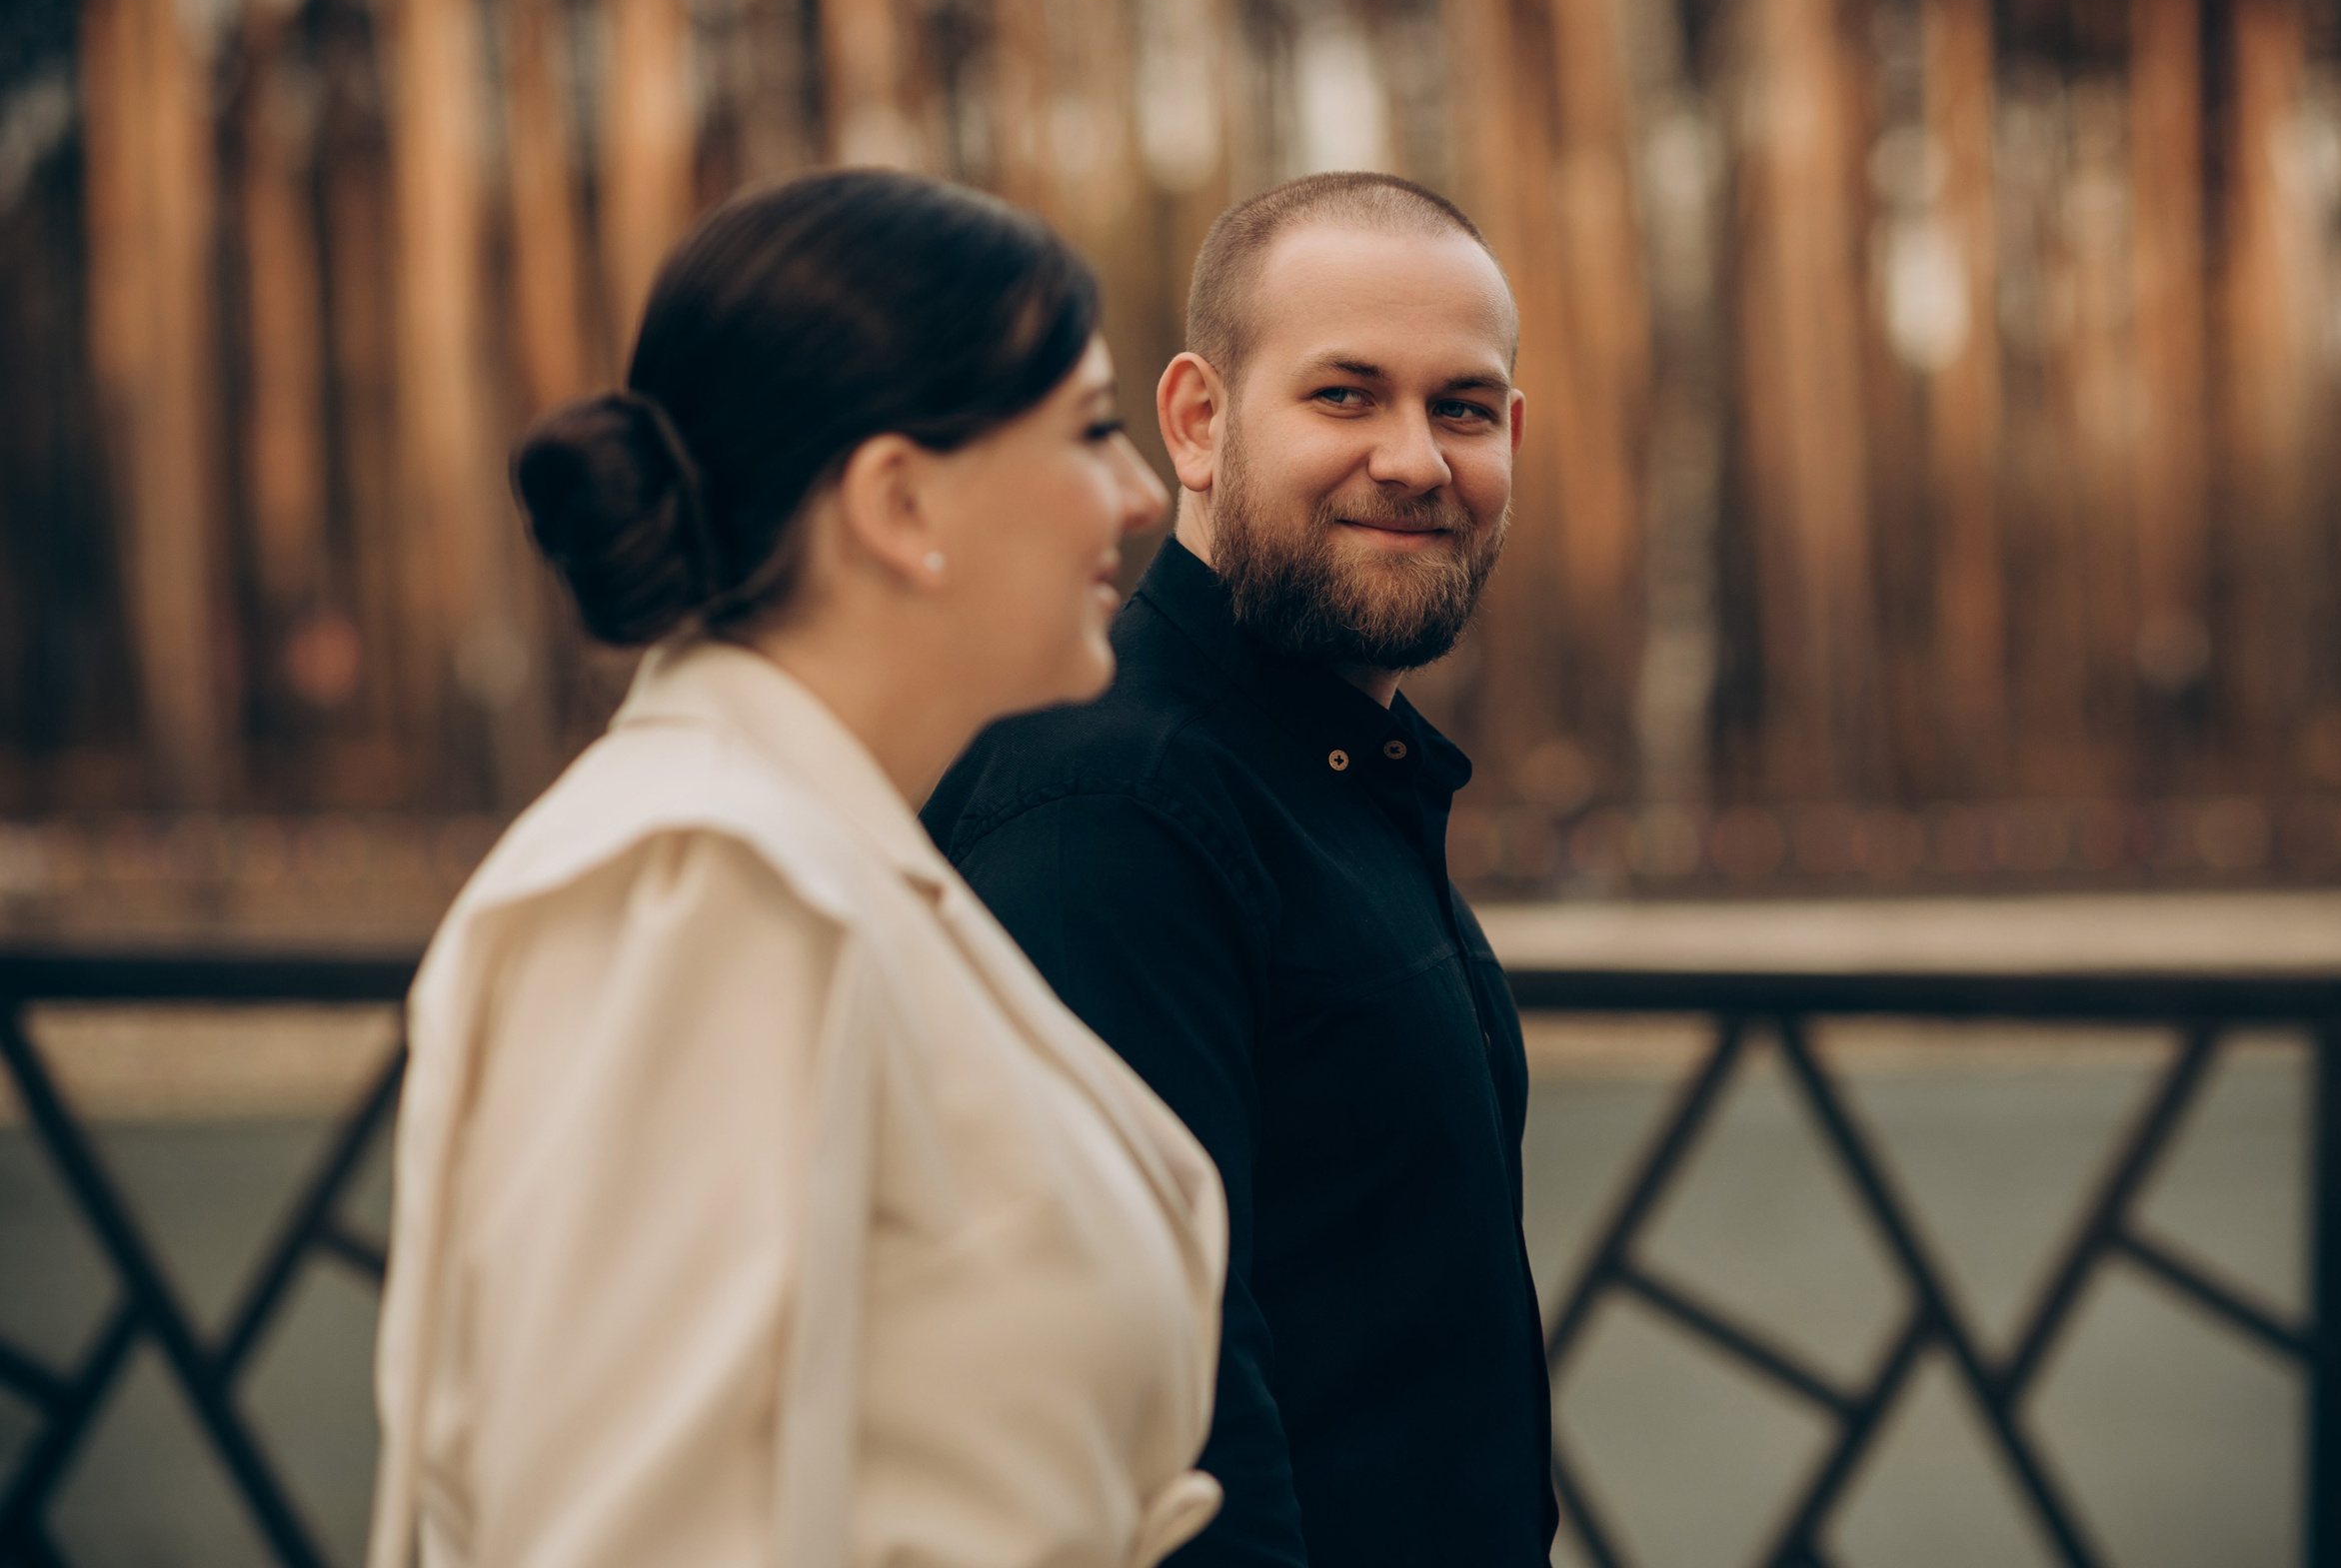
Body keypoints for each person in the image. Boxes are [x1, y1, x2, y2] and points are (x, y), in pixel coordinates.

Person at [367, 170, 1228, 1568]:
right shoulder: (705, 888)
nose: (1139, 495)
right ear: (898, 502)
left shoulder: (823, 855)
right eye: (1088, 429)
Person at [923, 171, 1553, 1568]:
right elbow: (1151, 1419)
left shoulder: (1331, 769)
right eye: (1345, 396)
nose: (1415, 459)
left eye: (1460, 408)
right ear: (1199, 424)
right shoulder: (1110, 809)